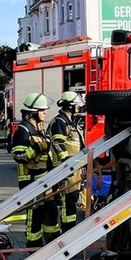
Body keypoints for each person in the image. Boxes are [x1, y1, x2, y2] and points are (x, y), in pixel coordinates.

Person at [10, 93, 61, 248]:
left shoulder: (39, 129)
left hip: (44, 181)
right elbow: (19, 156)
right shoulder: (23, 130)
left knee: (51, 212)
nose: (45, 112)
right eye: (42, 110)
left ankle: (52, 243)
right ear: (32, 112)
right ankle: (34, 246)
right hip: (31, 182)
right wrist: (37, 147)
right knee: (35, 216)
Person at [47, 91, 85, 233]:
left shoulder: (70, 122)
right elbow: (57, 142)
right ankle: (68, 230)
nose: (79, 108)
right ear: (70, 106)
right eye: (77, 105)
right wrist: (66, 161)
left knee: (73, 198)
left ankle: (70, 228)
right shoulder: (60, 122)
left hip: (74, 169)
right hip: (66, 169)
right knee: (68, 200)